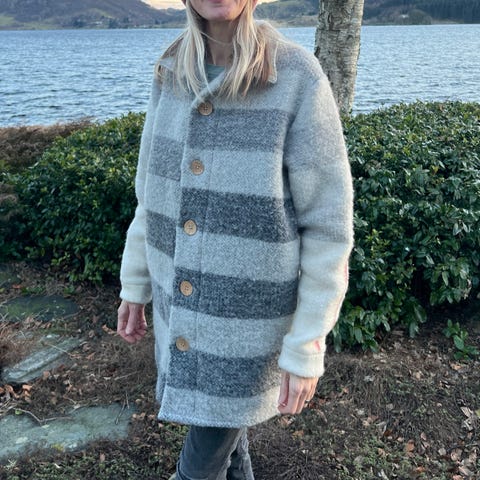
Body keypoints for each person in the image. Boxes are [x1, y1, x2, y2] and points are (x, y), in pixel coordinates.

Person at [116, 0, 354, 477]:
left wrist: (308, 342)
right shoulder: (170, 70)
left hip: (251, 330)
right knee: (228, 444)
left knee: (200, 463)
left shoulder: (296, 77)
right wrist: (135, 284)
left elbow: (328, 227)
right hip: (178, 308)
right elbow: (151, 193)